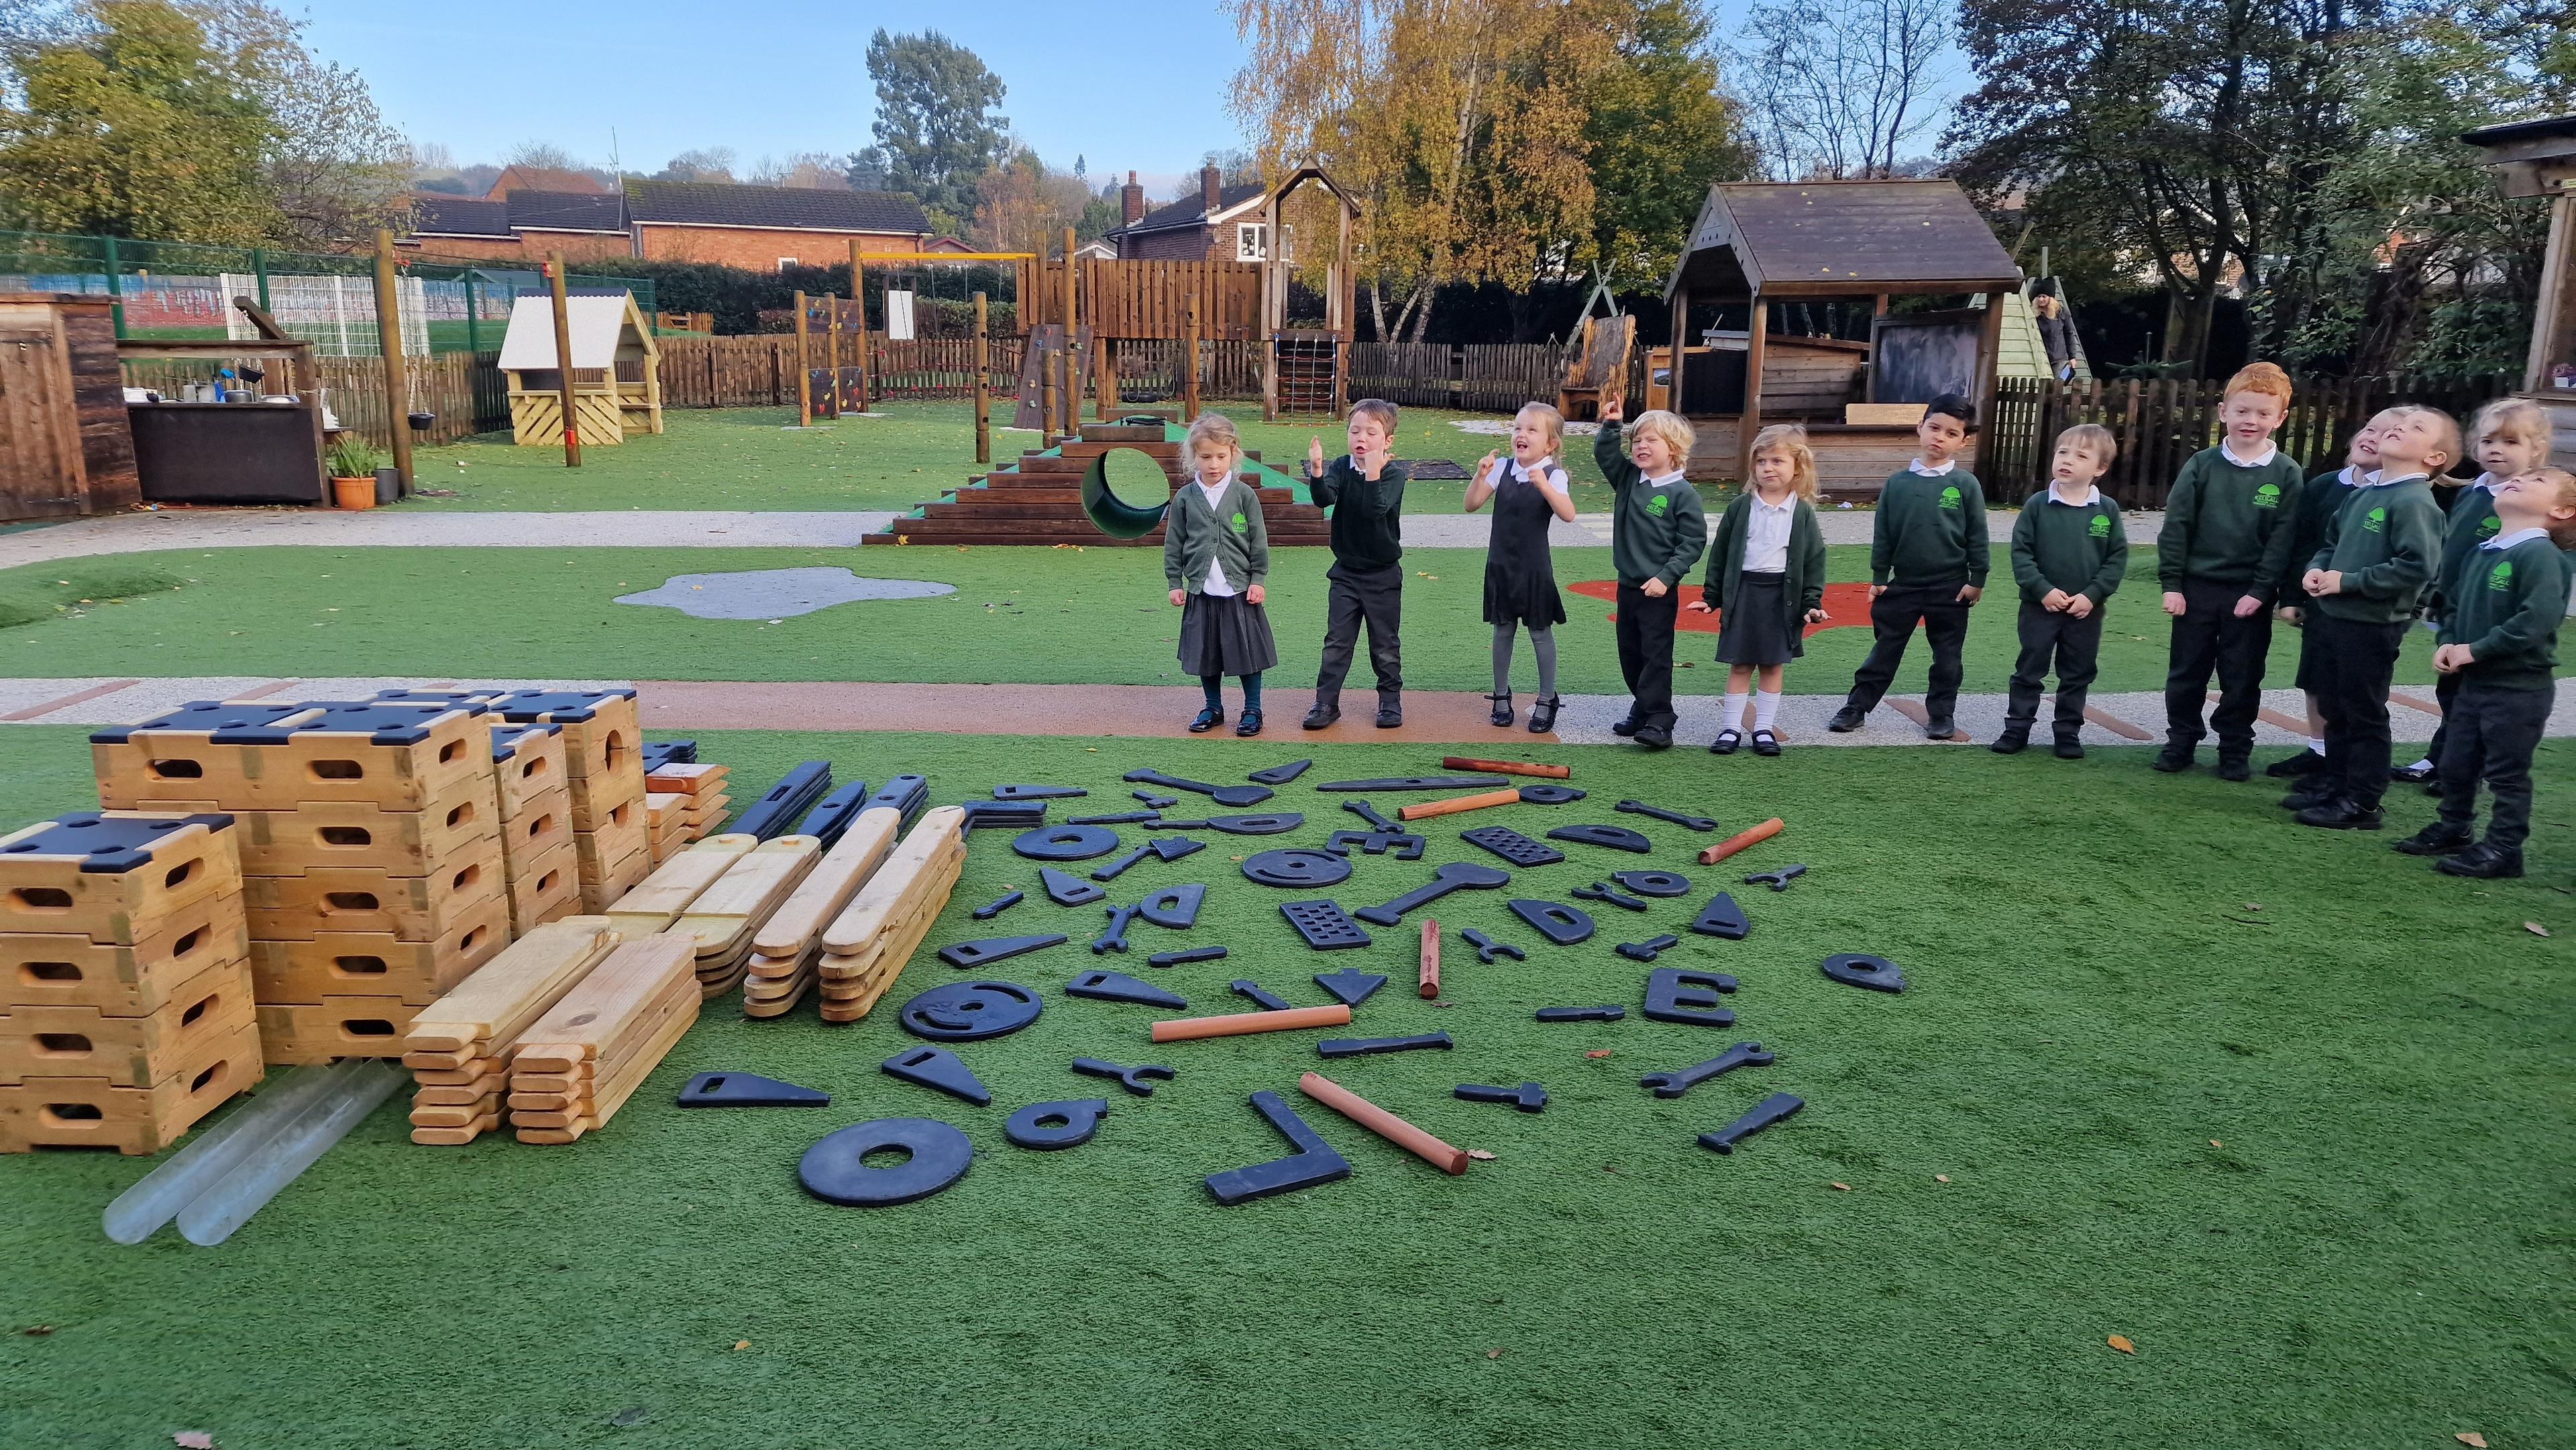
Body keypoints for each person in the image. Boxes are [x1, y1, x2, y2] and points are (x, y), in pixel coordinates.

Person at [2394, 466, 2576, 877]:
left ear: (2562, 511)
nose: (2521, 480)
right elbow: (2456, 605)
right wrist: (2450, 642)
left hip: (2517, 688)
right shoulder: (2486, 550)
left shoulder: (2541, 555)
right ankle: (2454, 827)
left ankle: (2504, 848)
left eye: (2538, 482)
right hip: (2472, 683)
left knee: (2506, 773)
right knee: (2457, 763)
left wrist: (2475, 650)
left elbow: (2536, 621)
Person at [2283, 404, 2453, 829]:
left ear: (2434, 459)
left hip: (2372, 623)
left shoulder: (2415, 502)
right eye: (2397, 424)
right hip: (2335, 615)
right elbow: (2330, 543)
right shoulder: (2365, 493)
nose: (2397, 430)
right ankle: (2336, 784)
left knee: (2363, 711)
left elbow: (2417, 566)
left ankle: (2362, 802)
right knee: (2335, 705)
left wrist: (2349, 582)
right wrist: (2317, 570)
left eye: (2414, 428)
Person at [2153, 361, 2305, 780]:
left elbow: (2282, 540)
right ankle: (2180, 741)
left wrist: (2261, 591)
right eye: (2242, 411)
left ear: (2280, 419)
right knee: (2187, 672)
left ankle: (2234, 747)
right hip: (2196, 590)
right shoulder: (2202, 465)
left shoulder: (2287, 474)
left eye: (2262, 413)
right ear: (2223, 412)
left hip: (2249, 595)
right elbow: (2177, 526)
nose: (2250, 421)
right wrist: (2173, 584)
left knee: (2242, 676)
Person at [2395, 397, 2553, 785]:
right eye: (2488, 441)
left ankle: (2470, 769)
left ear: (2537, 450)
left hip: (2492, 616)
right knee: (2451, 691)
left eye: (2511, 442)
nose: (2496, 450)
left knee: (2479, 697)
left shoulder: (2526, 504)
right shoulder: (2472, 491)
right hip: (2455, 609)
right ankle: (2444, 760)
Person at [1827, 393, 1989, 739]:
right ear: (1920, 428)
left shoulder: (1965, 485)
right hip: (1903, 586)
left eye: (1951, 433)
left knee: (1947, 657)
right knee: (1884, 651)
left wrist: (1977, 579)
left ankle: (1942, 715)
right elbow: (1883, 533)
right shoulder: (1897, 484)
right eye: (1934, 428)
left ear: (1964, 441)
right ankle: (1857, 708)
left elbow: (1978, 536)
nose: (1939, 438)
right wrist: (1879, 577)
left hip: (1951, 587)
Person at [1690, 423, 1827, 756]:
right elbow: (1720, 555)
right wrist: (1712, 597)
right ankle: (1730, 729)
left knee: (1772, 665)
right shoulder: (1740, 508)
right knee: (1739, 664)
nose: (1768, 468)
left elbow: (1813, 562)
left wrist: (1811, 603)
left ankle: (1763, 729)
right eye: (1761, 461)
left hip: (1782, 598)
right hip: (1745, 594)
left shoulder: (1802, 513)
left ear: (1798, 467)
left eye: (1777, 461)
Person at [2268, 412, 2392, 779]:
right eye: (2369, 428)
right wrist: (2291, 596)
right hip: (2318, 602)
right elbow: (2303, 541)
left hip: (2362, 608)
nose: (2372, 437)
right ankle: (2320, 750)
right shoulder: (2324, 486)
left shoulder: (2393, 495)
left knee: (2353, 690)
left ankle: (2349, 766)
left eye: (2386, 436)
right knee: (2315, 678)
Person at [1994, 423, 2127, 758]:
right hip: (2040, 608)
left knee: (2077, 671)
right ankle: (2017, 728)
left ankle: (2067, 733)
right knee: (2030, 668)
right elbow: (2021, 554)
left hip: (2085, 611)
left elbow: (2116, 559)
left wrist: (2092, 596)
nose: (2067, 461)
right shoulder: (2038, 505)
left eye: (2081, 456)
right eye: (2062, 452)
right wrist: (2043, 590)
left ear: (2099, 469)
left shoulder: (2106, 510)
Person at [1594, 396, 1707, 749]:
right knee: (1630, 654)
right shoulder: (1630, 480)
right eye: (1637, 440)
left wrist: (1667, 576)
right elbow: (1606, 456)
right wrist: (1613, 426)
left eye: (1651, 440)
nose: (1641, 446)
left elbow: (1692, 542)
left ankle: (1660, 719)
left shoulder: (1682, 494)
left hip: (1658, 590)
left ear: (1673, 448)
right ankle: (1643, 707)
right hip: (1627, 587)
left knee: (1655, 656)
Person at [1163, 412, 1276, 736]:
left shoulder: (1243, 495)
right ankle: (1213, 707)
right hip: (1202, 591)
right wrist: (1175, 582)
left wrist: (1258, 579)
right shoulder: (1185, 498)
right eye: (1206, 457)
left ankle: (1253, 709)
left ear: (1234, 454)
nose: (1214, 464)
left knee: (1247, 653)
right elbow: (1175, 542)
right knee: (1206, 653)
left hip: (1239, 590)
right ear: (1193, 457)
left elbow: (1258, 540)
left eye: (1221, 457)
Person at [1466, 403, 1576, 733]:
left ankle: (1546, 698)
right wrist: (1481, 475)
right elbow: (1471, 505)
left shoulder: (1554, 475)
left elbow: (1568, 514)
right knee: (1502, 630)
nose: (1521, 435)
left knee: (1540, 632)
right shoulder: (1501, 468)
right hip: (1500, 565)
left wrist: (1544, 486)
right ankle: (1501, 695)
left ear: (1550, 444)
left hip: (1534, 569)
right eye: (1517, 428)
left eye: (1531, 430)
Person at [1301, 399, 1410, 730]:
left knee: (1385, 645)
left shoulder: (1393, 475)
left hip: (1383, 576)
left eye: (1370, 432)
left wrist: (1373, 472)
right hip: (1346, 574)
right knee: (1337, 642)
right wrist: (1318, 471)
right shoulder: (1340, 467)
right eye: (1355, 431)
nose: (1361, 438)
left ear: (1387, 441)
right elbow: (1323, 499)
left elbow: (1375, 510)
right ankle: (1326, 703)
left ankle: (1390, 702)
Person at [2032, 292, 2080, 382]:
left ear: (2050, 298)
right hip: (2041, 357)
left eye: (2044, 296)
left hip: (2059, 359)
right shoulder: (2034, 314)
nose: (2041, 299)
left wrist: (2072, 357)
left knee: (2057, 387)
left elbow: (2069, 334)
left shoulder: (2062, 313)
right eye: (2039, 296)